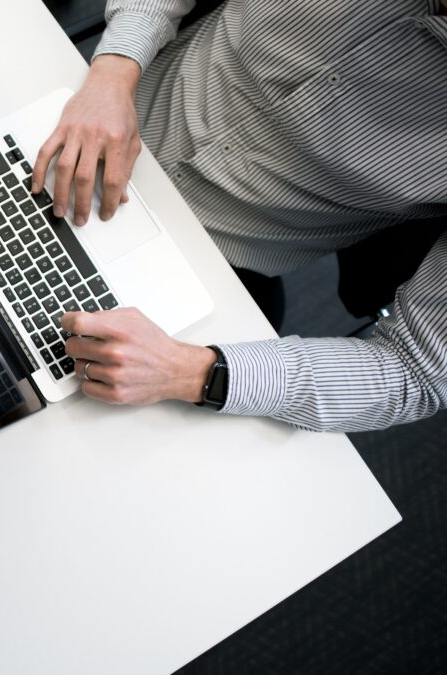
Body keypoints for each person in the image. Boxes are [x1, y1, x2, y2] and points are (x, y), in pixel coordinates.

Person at [36, 0, 447, 432]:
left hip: (208, 265)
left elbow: (415, 371)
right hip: (95, 107)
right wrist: (115, 70)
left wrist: (191, 371)